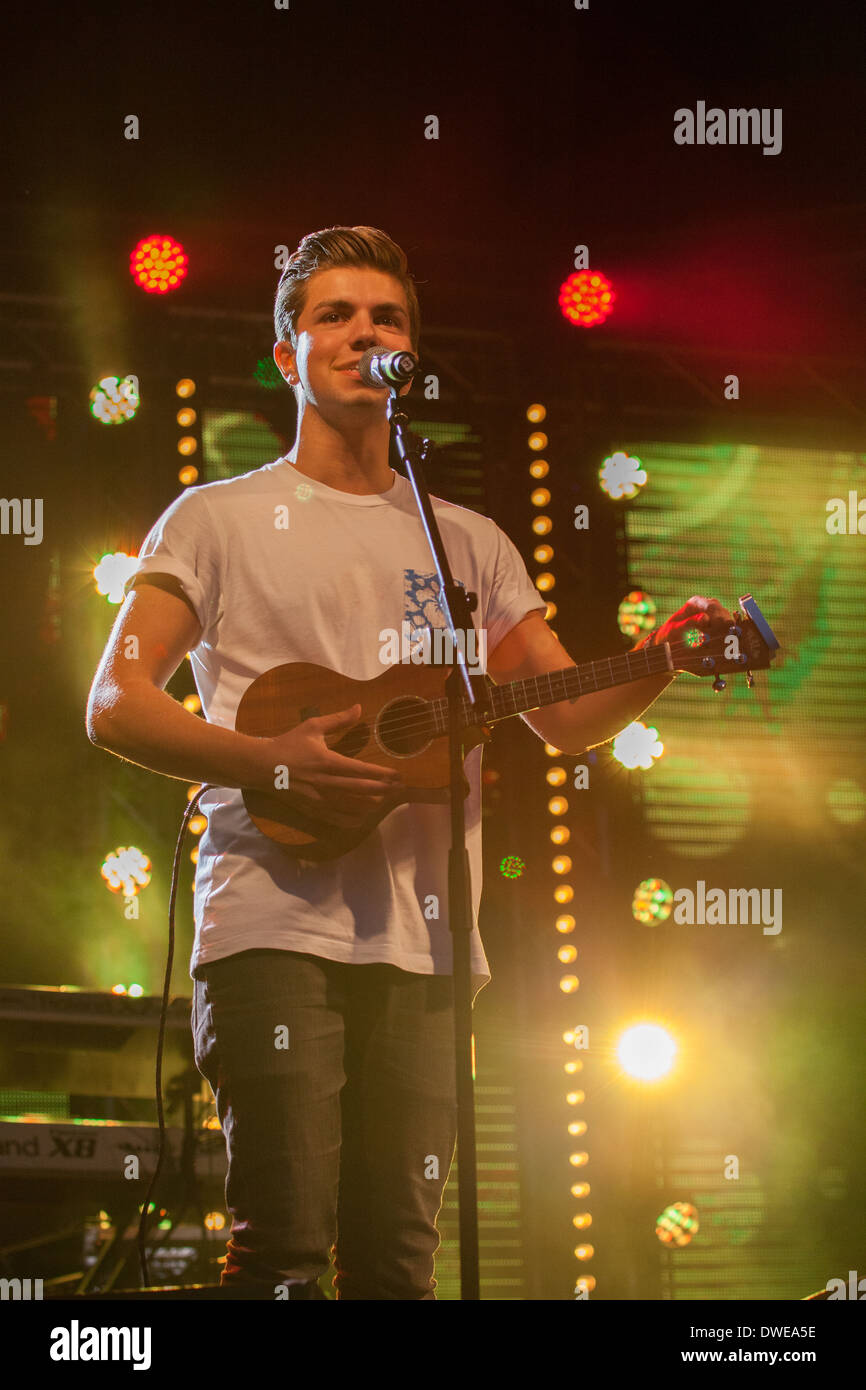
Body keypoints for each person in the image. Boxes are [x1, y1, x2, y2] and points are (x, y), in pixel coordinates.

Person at [86, 225, 731, 1299]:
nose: (363, 333)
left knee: (398, 1265)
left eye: (385, 318)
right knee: (284, 1255)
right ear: (287, 354)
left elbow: (562, 719)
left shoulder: (465, 538)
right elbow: (116, 701)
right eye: (333, 314)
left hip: (427, 946)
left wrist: (661, 661)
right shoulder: (216, 518)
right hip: (271, 928)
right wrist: (273, 763)